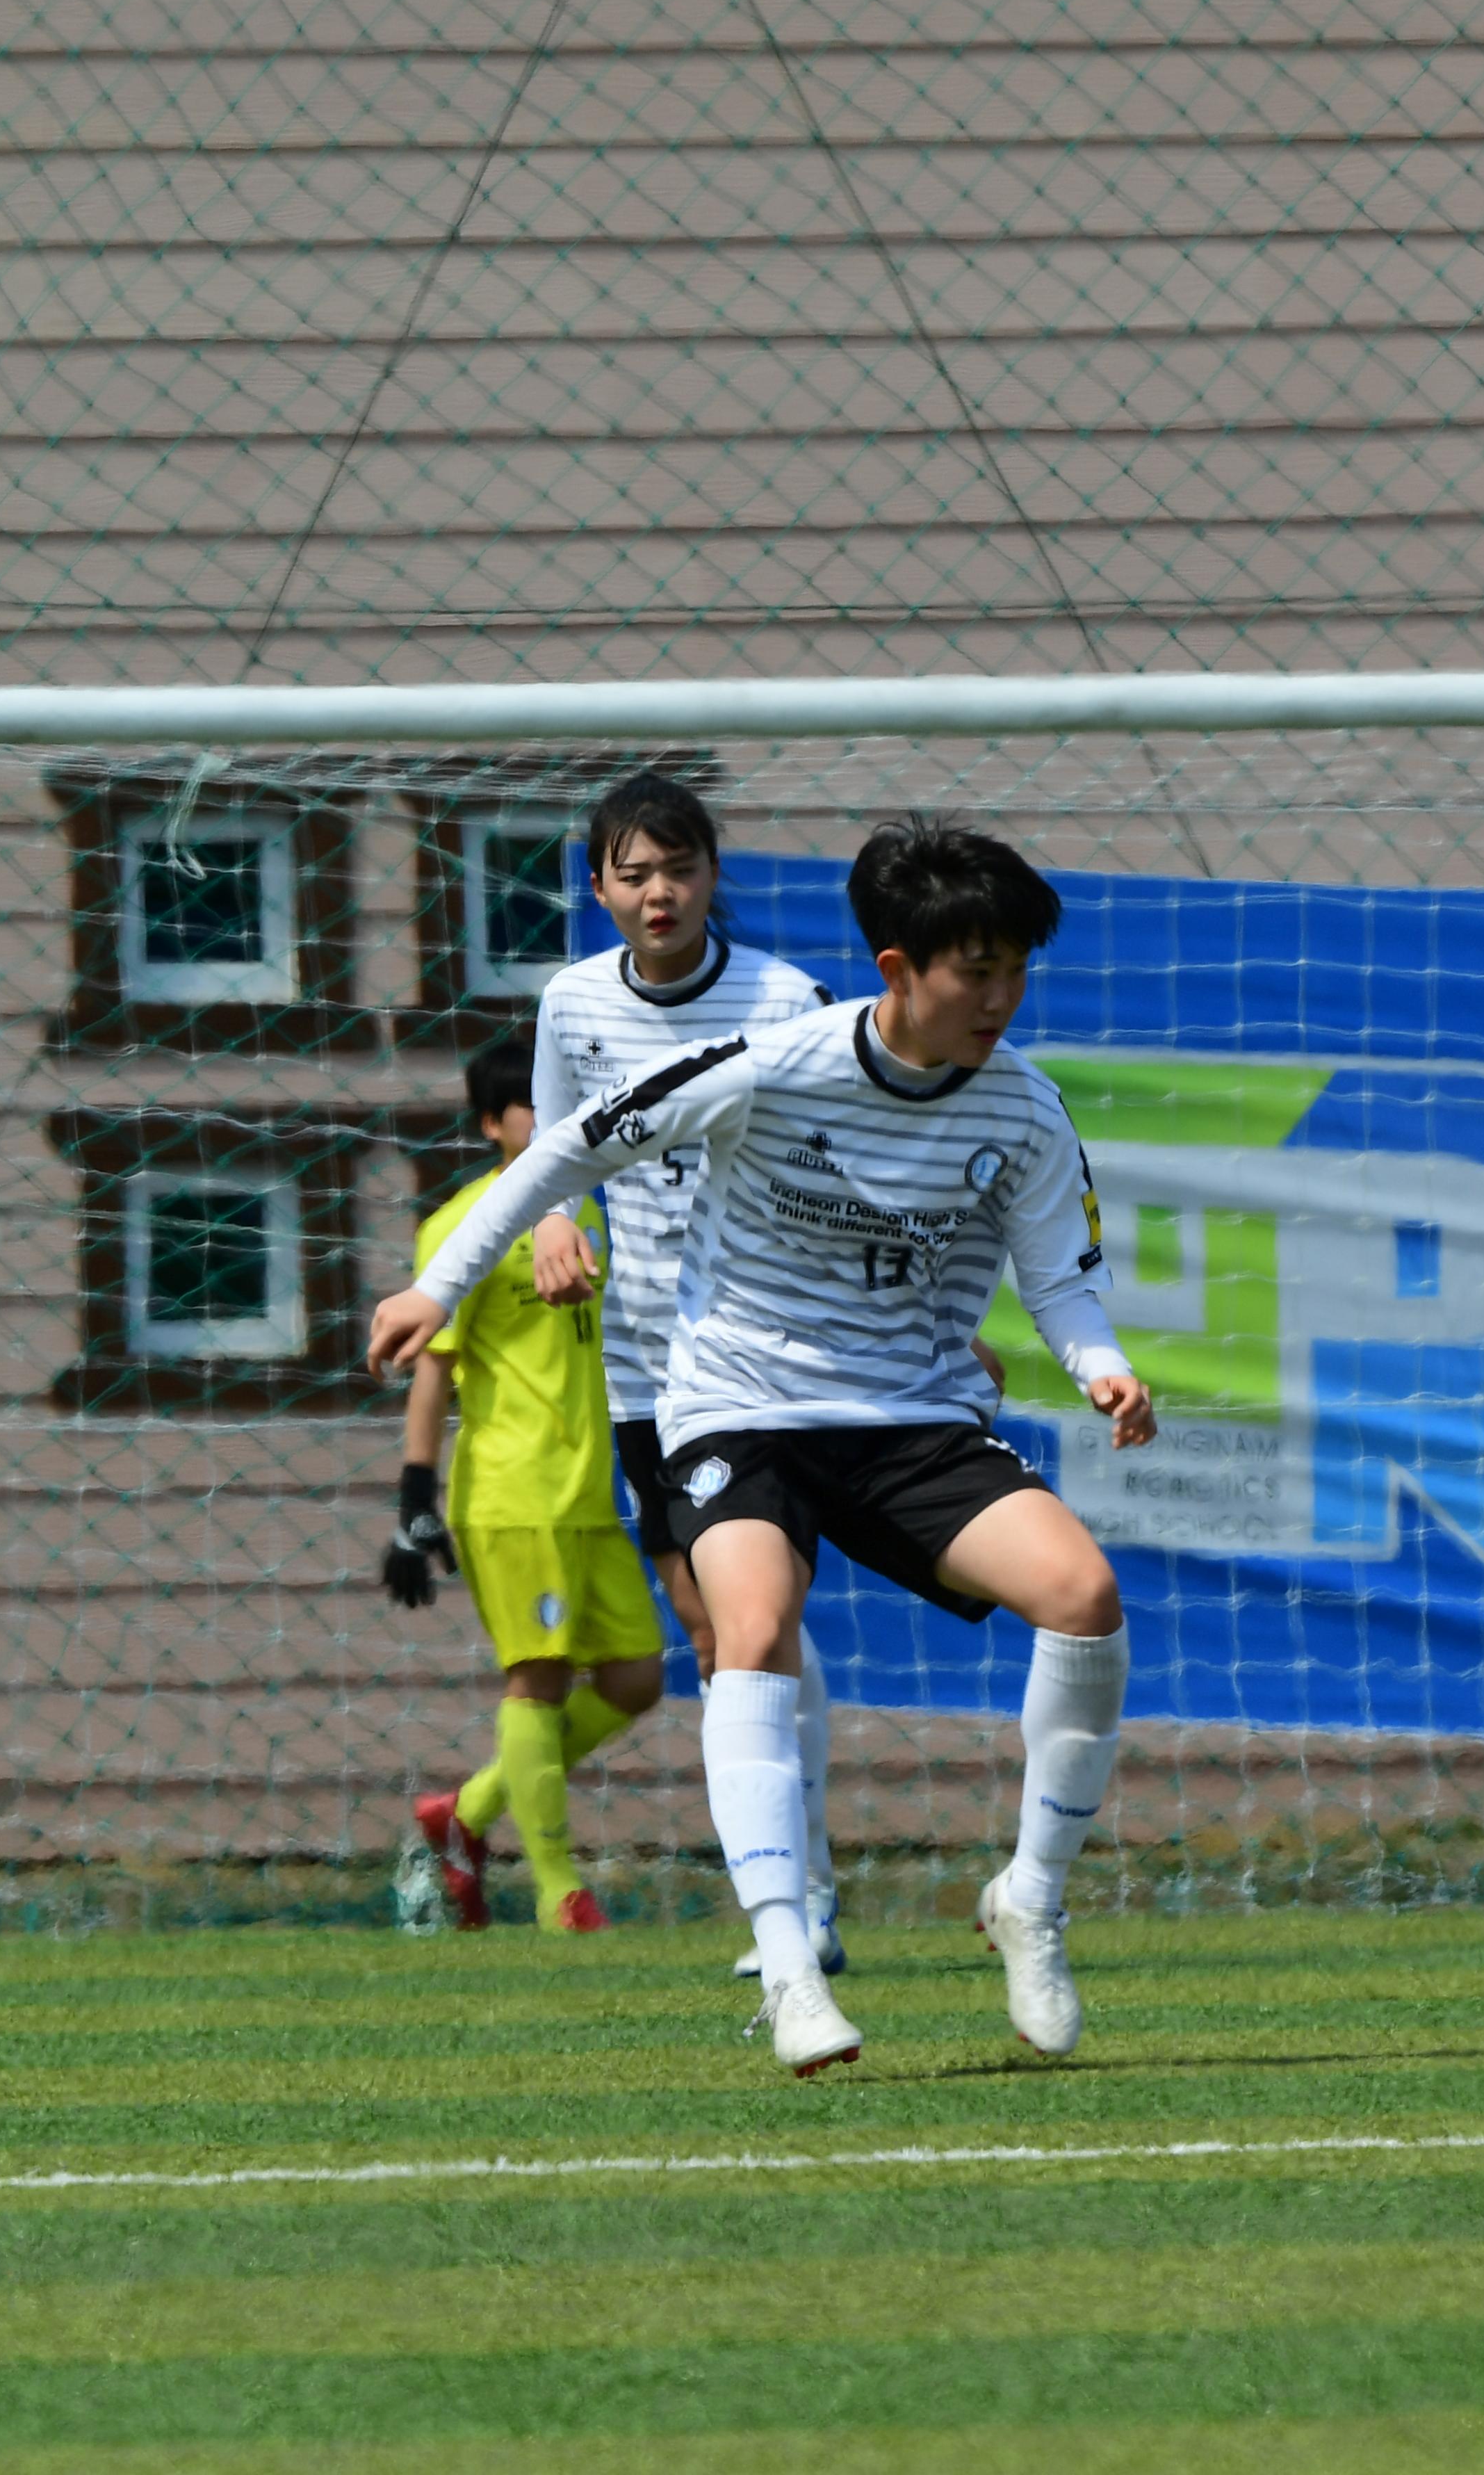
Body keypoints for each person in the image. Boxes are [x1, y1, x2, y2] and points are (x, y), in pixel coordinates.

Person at [376, 820, 1157, 2076]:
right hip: (740, 1407)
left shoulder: (1025, 1107)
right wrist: (444, 1289)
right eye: (975, 974)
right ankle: (790, 1964)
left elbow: (1059, 1281)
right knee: (751, 1627)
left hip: (911, 1418)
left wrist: (1101, 1364)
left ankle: (1031, 1902)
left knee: (1086, 1597)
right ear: (899, 970)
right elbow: (567, 1147)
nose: (1001, 1001)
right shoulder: (770, 1062)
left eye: (1016, 971)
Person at [525, 770, 845, 1977]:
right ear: (601, 887)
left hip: (770, 1357)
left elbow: (847, 1154)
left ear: (714, 876)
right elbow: (557, 1152)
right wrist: (558, 1227)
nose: (660, 892)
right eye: (635, 872)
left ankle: (800, 1901)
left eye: (681, 868)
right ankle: (793, 1894)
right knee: (720, 1639)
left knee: (756, 1628)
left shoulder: (786, 998)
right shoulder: (571, 1004)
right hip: (644, 1370)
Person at [392, 1030, 669, 1933]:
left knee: (635, 1677)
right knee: (538, 1679)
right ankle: (556, 1889)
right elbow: (432, 1371)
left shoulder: (590, 1209)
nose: (551, 1118)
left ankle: (464, 1817)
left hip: (590, 1492)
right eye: (531, 1106)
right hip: (510, 1493)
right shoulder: (460, 1225)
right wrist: (413, 1503)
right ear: (491, 1125)